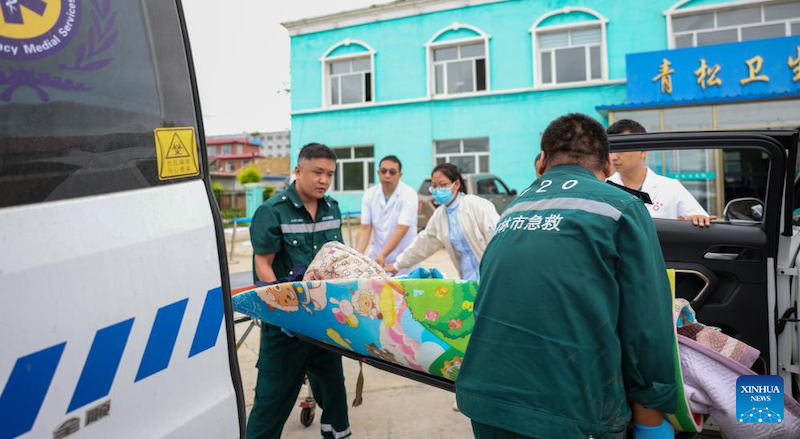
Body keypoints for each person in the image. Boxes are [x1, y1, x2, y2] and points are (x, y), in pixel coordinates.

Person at [456, 113, 677, 438]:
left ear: (543, 160)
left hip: (486, 405)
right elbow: (646, 324)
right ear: (606, 167)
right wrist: (650, 414)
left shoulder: (513, 211)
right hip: (575, 410)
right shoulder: (622, 207)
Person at [247, 143, 351, 439]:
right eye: (317, 172)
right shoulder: (271, 211)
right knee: (271, 403)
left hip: (325, 325)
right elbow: (263, 266)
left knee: (335, 398)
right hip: (286, 329)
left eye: (329, 174)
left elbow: (337, 259)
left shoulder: (332, 208)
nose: (324, 180)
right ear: (298, 170)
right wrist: (284, 309)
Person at [383, 163, 499, 281]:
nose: (438, 190)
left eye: (443, 185)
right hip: (469, 280)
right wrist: (397, 265)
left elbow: (498, 236)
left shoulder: (476, 205)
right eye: (434, 186)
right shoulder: (440, 215)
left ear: (457, 184)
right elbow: (423, 243)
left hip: (493, 275)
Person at [607, 119, 714, 227]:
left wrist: (695, 220)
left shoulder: (671, 187)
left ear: (643, 151)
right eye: (611, 150)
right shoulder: (605, 188)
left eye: (621, 149)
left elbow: (698, 217)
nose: (614, 157)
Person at [355, 155, 418, 273]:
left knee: (403, 290)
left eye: (392, 172)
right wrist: (357, 257)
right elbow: (365, 228)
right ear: (378, 173)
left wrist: (383, 254)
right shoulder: (369, 194)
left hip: (403, 256)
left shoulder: (409, 194)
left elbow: (401, 229)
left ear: (400, 175)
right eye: (384, 171)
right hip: (377, 255)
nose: (387, 175)